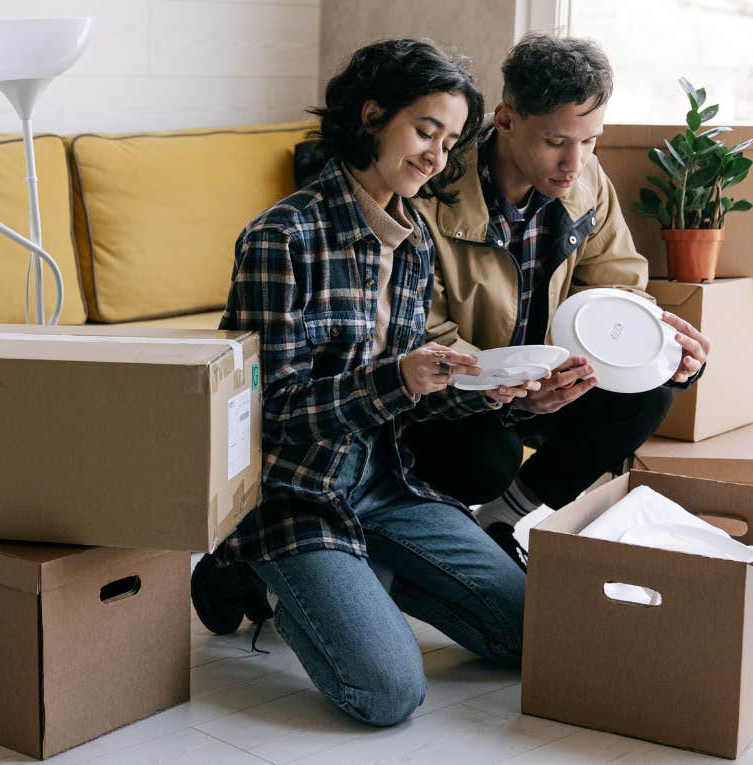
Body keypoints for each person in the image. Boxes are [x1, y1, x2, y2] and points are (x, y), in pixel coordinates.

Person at [190, 39, 536, 728]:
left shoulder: (410, 241)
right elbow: (269, 412)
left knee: (532, 632)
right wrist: (396, 377)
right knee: (386, 693)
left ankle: (363, 572)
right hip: (295, 492)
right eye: (425, 131)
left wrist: (472, 391)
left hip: (385, 482)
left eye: (450, 141)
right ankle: (240, 569)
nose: (437, 156)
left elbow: (402, 395)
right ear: (374, 115)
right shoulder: (281, 237)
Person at [401, 33, 711, 568]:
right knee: (486, 459)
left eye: (591, 141)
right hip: (459, 394)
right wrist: (513, 390)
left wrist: (659, 350)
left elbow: (617, 291)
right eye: (557, 142)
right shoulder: (432, 195)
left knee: (652, 391)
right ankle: (425, 535)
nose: (576, 162)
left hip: (551, 383)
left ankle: (503, 516)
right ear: (505, 120)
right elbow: (422, 337)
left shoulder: (587, 181)